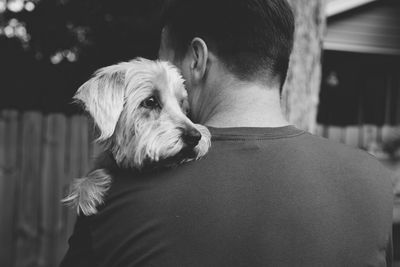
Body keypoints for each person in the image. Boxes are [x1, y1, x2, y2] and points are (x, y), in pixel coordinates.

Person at [60, 0, 394, 266]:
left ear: (196, 59)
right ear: (279, 61)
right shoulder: (374, 181)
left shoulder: (110, 193)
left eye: (164, 58)